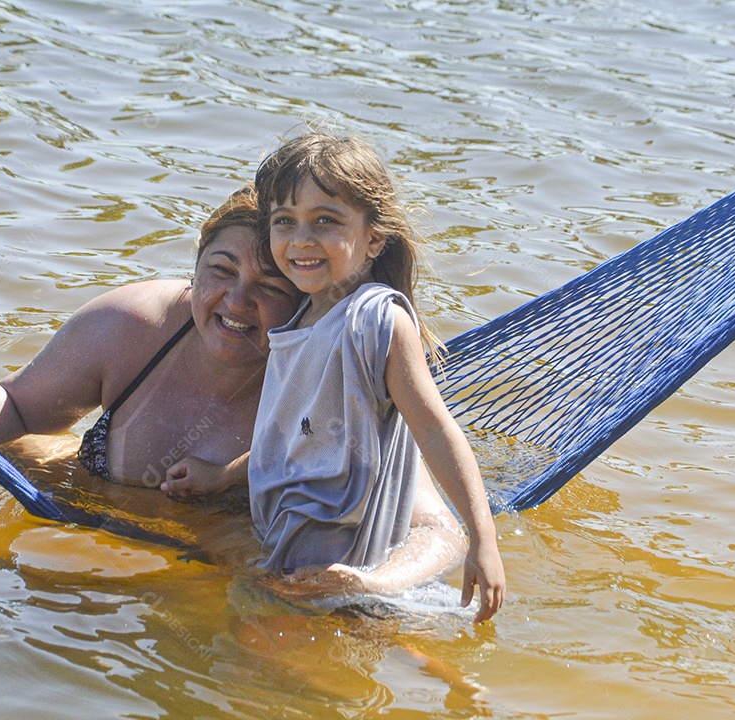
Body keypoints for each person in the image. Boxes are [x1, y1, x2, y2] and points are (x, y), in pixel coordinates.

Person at [0, 185, 467, 595]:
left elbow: (440, 532)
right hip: (88, 522)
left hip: (213, 578)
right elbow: (18, 402)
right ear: (194, 271)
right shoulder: (132, 324)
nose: (238, 301)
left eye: (270, 284)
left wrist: (369, 584)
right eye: (221, 270)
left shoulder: (343, 373)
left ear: (307, 298)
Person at [169, 134, 505, 621]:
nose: (302, 240)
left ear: (373, 237)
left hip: (348, 566)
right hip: (290, 554)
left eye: (325, 221)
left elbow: (435, 428)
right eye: (285, 222)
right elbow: (297, 439)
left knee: (338, 648)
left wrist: (483, 538)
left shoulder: (376, 321)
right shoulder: (300, 317)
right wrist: (222, 476)